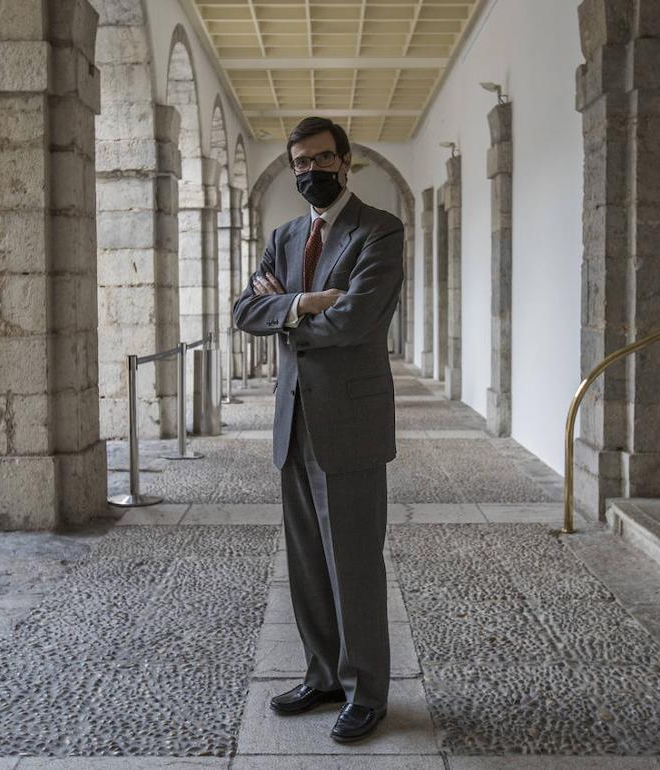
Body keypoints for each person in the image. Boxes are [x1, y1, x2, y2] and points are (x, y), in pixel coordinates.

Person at [232, 116, 404, 743]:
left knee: (353, 561)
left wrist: (282, 314)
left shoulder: (379, 230)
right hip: (293, 417)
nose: (311, 172)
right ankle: (324, 675)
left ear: (346, 161)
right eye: (300, 163)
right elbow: (243, 310)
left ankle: (367, 693)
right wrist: (304, 303)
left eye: (322, 160)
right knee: (307, 560)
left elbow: (357, 321)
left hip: (351, 422)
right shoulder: (282, 237)